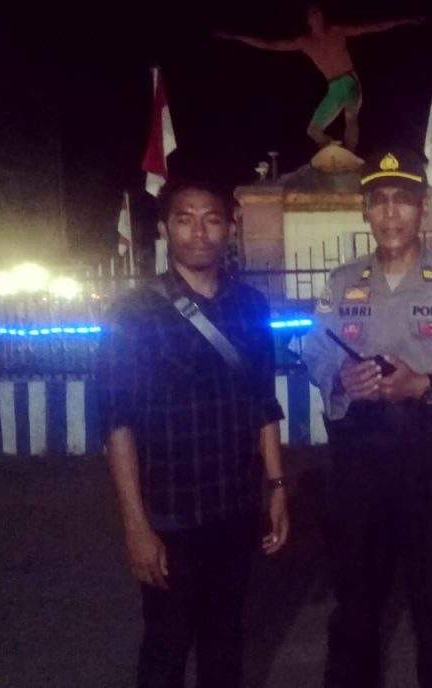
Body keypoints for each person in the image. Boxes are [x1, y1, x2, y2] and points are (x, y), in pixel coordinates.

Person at [302, 147, 432, 688]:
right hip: (358, 465)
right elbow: (314, 348)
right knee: (354, 613)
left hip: (431, 463)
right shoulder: (342, 281)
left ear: (423, 210)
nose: (391, 213)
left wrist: (427, 384)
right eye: (379, 201)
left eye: (403, 200)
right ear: (365, 211)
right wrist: (339, 378)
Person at [97, 177, 289, 688]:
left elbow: (262, 401)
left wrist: (276, 487)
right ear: (165, 229)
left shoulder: (250, 306)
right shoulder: (134, 312)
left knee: (225, 641)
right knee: (166, 645)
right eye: (185, 219)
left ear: (229, 228)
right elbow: (117, 422)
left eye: (211, 219)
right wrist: (136, 526)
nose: (199, 232)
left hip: (235, 505)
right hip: (170, 512)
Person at [215, 5, 423, 153]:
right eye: (313, 14)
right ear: (308, 21)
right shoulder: (305, 42)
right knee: (313, 131)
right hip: (334, 87)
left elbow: (373, 27)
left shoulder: (337, 31)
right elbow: (271, 45)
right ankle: (335, 152)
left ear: (323, 16)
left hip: (349, 81)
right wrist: (236, 37)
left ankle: (350, 154)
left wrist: (405, 20)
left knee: (351, 118)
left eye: (319, 12)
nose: (317, 16)